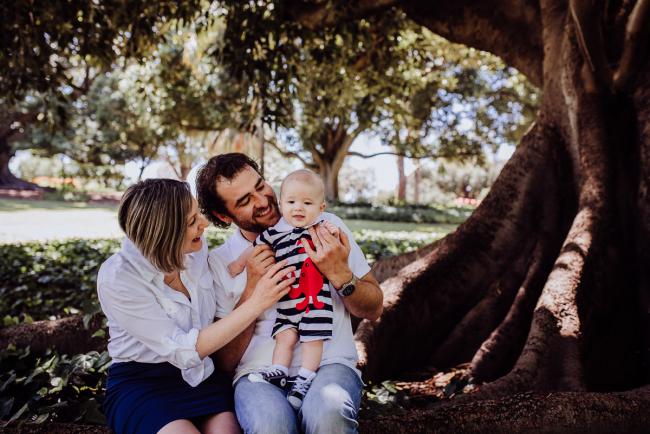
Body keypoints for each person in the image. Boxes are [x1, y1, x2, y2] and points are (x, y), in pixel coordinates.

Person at [196, 153, 383, 434]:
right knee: (271, 425)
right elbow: (224, 362)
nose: (262, 201)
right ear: (224, 216)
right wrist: (252, 290)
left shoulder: (326, 226)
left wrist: (341, 274)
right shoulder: (221, 263)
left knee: (329, 415)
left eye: (260, 186)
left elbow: (374, 307)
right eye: (245, 201)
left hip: (330, 363)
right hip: (258, 372)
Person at [97, 178, 296, 434]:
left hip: (201, 374)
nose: (204, 224)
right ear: (165, 233)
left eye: (197, 214)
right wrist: (257, 301)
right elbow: (182, 349)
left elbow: (224, 277)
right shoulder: (118, 278)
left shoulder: (195, 250)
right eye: (192, 222)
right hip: (143, 382)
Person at [229, 169, 343, 410]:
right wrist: (239, 264)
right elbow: (253, 248)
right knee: (284, 336)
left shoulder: (321, 228)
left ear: (321, 208)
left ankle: (304, 379)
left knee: (313, 340)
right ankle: (278, 370)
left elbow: (338, 241)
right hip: (288, 303)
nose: (298, 208)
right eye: (291, 202)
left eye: (307, 203)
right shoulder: (274, 234)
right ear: (282, 204)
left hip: (315, 301)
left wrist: (335, 234)